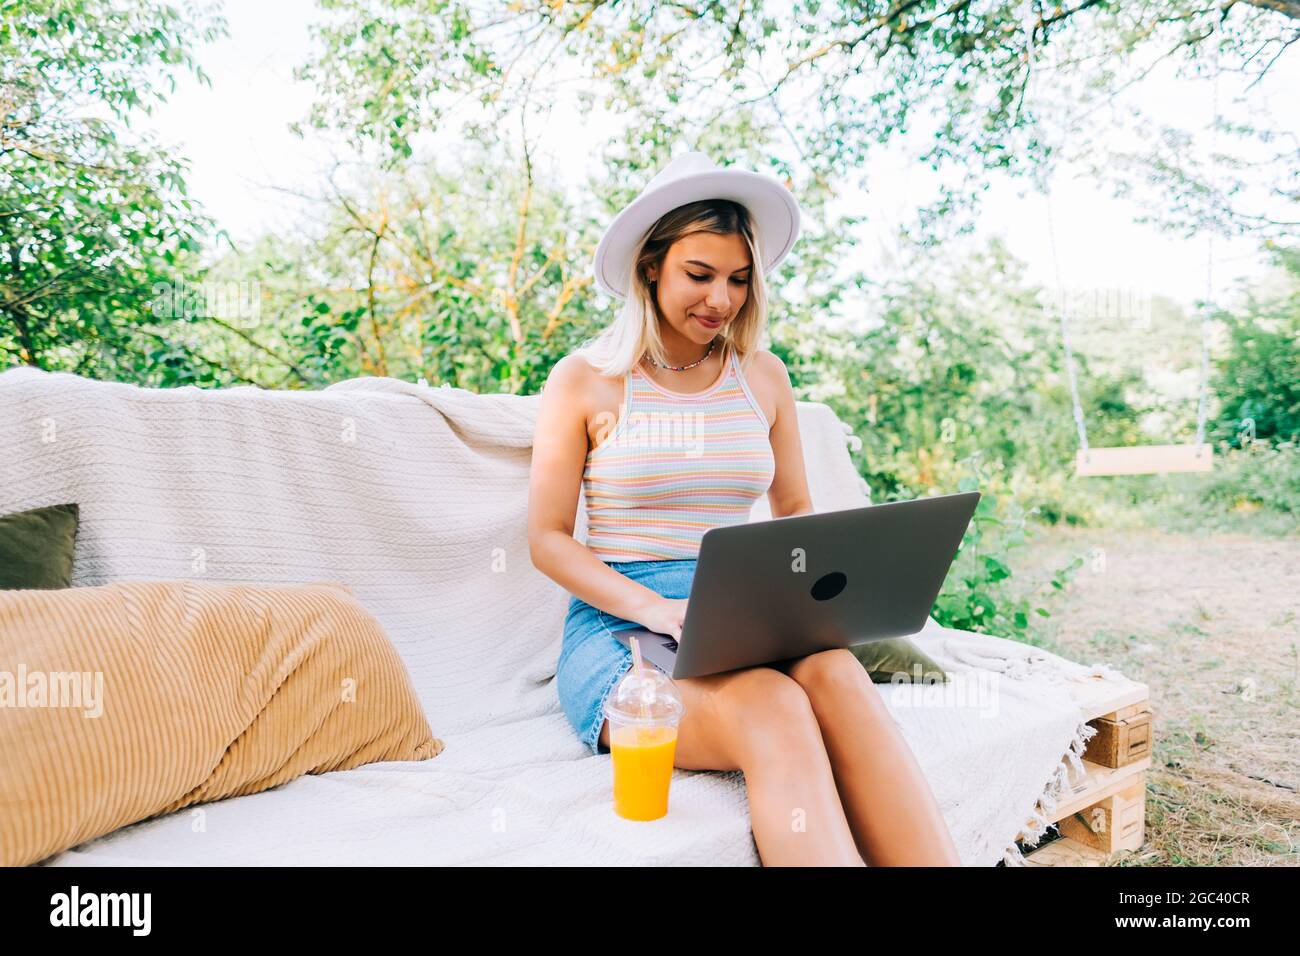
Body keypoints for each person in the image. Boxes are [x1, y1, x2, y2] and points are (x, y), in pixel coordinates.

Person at [528, 151, 960, 866]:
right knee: (771, 704)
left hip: (747, 616)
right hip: (622, 630)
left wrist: (824, 601)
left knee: (838, 673)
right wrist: (658, 610)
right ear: (651, 269)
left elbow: (793, 508)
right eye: (700, 276)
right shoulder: (584, 380)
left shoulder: (763, 377)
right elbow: (547, 540)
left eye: (737, 280)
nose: (721, 300)